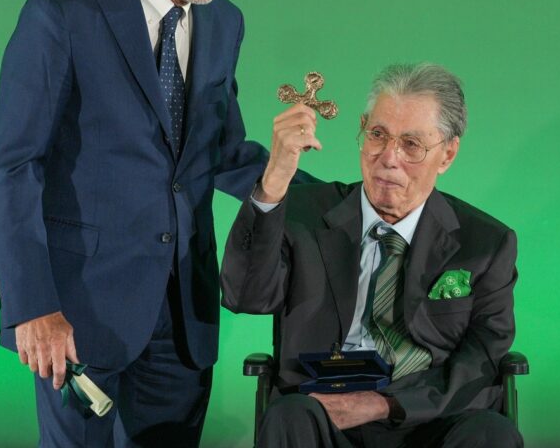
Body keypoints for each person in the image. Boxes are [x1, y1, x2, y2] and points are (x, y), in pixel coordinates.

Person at [0, 0, 309, 447]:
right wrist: (32, 306)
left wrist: (329, 193)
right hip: (78, 311)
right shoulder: (63, 14)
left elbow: (218, 151)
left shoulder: (224, 23)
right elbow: (14, 167)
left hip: (183, 315)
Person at [221, 63, 523, 448]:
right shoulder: (302, 213)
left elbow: (481, 358)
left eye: (411, 144)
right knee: (290, 416)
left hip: (428, 416)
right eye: (378, 134)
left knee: (491, 434)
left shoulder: (485, 243)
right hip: (324, 409)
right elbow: (244, 296)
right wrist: (274, 180)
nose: (388, 157)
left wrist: (383, 403)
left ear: (447, 154)